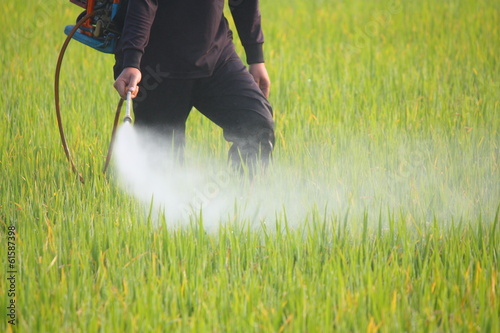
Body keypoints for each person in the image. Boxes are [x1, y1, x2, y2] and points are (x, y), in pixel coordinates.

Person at [113, 0, 275, 174]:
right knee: (164, 165)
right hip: (157, 66)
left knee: (257, 126)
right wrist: (132, 61)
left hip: (216, 55)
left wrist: (256, 57)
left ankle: (240, 198)